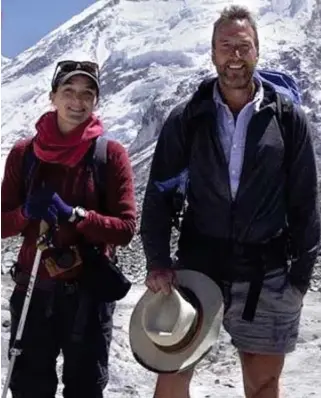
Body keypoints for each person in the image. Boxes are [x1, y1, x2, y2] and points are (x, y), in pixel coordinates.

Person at [140, 5, 320, 398]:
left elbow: (306, 202)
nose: (234, 56)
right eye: (226, 47)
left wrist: (300, 278)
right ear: (212, 53)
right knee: (172, 376)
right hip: (198, 269)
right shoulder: (187, 118)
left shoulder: (288, 118)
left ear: (257, 50)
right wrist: (157, 261)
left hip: (266, 273)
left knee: (264, 386)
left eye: (243, 46)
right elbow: (159, 196)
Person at [1, 60, 136, 398]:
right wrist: (25, 213)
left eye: (87, 94)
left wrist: (76, 215)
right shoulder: (24, 155)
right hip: (33, 287)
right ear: (53, 97)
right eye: (69, 92)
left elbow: (125, 228)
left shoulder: (110, 155)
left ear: (96, 101)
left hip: (88, 295)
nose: (77, 102)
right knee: (29, 388)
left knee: (86, 389)